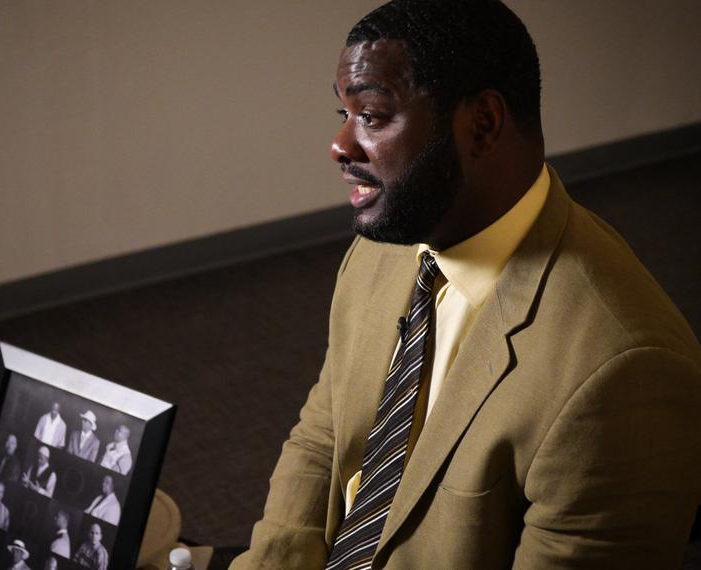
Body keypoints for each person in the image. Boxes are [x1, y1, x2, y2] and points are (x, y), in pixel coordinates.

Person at [230, 1, 701, 569]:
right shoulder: (387, 244)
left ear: (482, 124)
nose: (340, 144)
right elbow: (324, 435)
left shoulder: (624, 373)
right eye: (343, 113)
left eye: (372, 117)